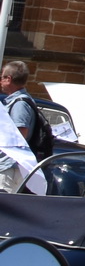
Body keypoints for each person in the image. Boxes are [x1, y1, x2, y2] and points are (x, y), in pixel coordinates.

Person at [0, 61, 42, 192]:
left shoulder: (20, 104)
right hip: (8, 166)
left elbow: (19, 137)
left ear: (8, 79)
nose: (0, 81)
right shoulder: (16, 101)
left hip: (10, 167)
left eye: (1, 77)